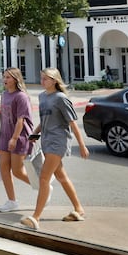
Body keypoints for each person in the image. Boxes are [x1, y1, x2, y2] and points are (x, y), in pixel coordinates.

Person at [19, 67, 90, 230]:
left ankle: (35, 217)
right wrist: (34, 134)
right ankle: (79, 209)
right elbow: (44, 120)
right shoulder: (43, 97)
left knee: (44, 178)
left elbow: (72, 123)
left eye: (45, 78)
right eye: (41, 78)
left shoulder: (60, 98)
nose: (42, 81)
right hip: (46, 140)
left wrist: (81, 145)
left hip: (58, 142)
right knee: (61, 176)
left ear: (54, 80)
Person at [0, 67, 34, 212]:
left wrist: (14, 138)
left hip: (18, 137)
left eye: (8, 77)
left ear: (16, 79)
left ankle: (43, 186)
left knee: (17, 171)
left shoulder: (21, 96)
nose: (5, 80)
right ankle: (12, 201)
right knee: (4, 168)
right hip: (5, 136)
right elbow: (3, 117)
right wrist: (3, 137)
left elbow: (21, 120)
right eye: (4, 77)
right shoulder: (4, 94)